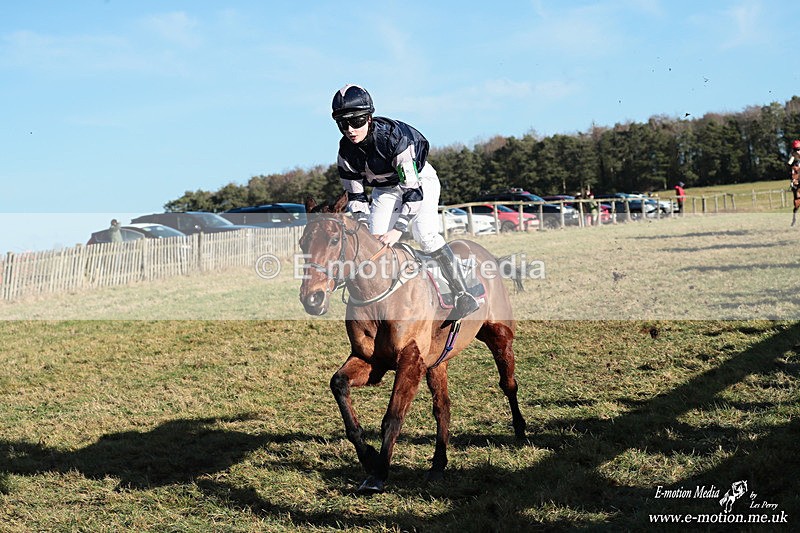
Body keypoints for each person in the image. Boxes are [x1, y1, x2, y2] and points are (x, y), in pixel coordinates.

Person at [331, 84, 479, 319]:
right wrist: (363, 228)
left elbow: (412, 192)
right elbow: (357, 197)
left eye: (356, 121)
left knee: (424, 234)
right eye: (342, 123)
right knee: (372, 243)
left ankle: (463, 292)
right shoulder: (345, 152)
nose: (350, 129)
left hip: (419, 181)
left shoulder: (394, 139)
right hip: (384, 189)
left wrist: (398, 231)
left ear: (369, 118)